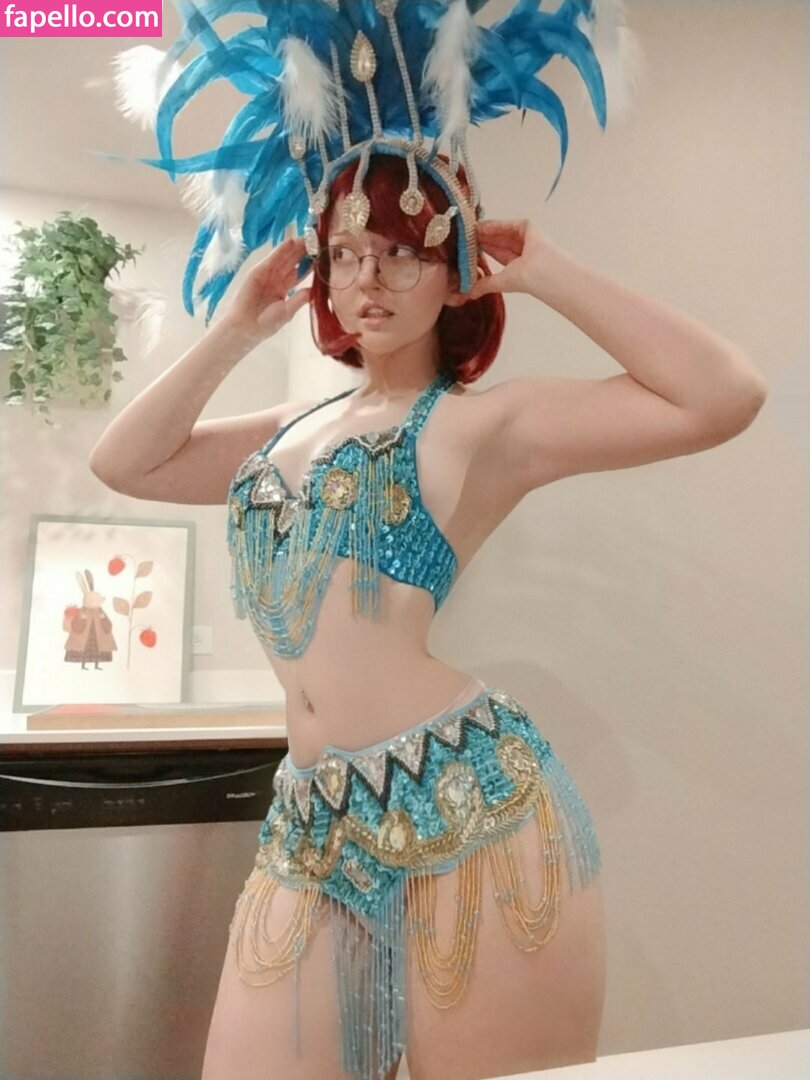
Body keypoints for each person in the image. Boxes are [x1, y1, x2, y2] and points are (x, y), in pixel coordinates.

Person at [89, 150, 766, 1080]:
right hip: (312, 820)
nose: (368, 276)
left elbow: (724, 394)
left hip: (465, 801)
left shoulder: (484, 425)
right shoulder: (287, 430)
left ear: (456, 274)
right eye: (345, 253)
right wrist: (236, 329)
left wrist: (551, 273)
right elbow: (124, 462)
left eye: (401, 251)